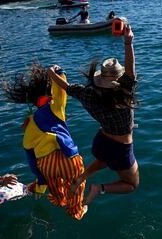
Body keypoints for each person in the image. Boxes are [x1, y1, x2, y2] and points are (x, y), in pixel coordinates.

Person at [48, 25, 139, 205]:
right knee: (132, 184)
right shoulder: (123, 93)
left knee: (104, 159)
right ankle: (100, 188)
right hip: (120, 148)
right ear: (117, 79)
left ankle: (81, 178)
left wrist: (51, 73)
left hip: (101, 141)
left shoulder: (86, 94)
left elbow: (65, 87)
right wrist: (128, 42)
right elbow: (131, 71)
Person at [3, 64, 87, 220]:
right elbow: (61, 92)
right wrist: (60, 73)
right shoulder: (55, 108)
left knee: (53, 182)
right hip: (69, 159)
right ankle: (75, 210)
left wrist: (41, 183)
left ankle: (58, 199)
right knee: (77, 182)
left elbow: (31, 159)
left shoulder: (29, 126)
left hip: (46, 164)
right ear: (48, 95)